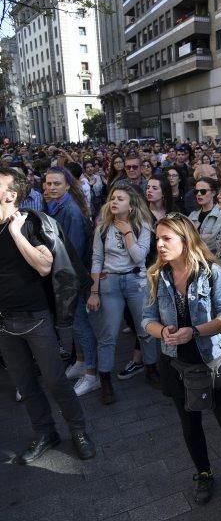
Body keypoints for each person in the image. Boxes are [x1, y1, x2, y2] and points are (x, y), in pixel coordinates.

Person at [142, 213, 221, 505]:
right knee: (189, 423)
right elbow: (146, 319)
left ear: (185, 240)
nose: (160, 245)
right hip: (175, 362)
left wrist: (194, 332)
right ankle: (203, 473)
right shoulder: (156, 274)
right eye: (157, 239)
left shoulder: (211, 272)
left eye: (167, 238)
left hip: (212, 359)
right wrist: (163, 331)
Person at [0, 167, 96, 464]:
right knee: (25, 384)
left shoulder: (29, 223)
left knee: (55, 381)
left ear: (10, 194)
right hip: (4, 322)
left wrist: (16, 235)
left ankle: (78, 430)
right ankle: (44, 432)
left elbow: (44, 266)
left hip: (36, 318)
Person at [87, 183, 159, 404]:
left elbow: (138, 257)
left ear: (131, 204)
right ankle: (105, 379)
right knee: (108, 335)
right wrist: (94, 291)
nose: (114, 202)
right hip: (109, 283)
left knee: (145, 329)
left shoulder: (143, 226)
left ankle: (151, 369)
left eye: (120, 198)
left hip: (136, 281)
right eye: (112, 198)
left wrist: (127, 230)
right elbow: (97, 260)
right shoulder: (102, 228)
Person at [43, 166, 99, 396]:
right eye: (48, 183)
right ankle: (80, 361)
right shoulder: (57, 205)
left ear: (67, 185)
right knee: (75, 325)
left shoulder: (72, 212)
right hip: (65, 275)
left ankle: (92, 374)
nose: (52, 187)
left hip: (72, 277)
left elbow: (72, 253)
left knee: (80, 325)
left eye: (57, 183)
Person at [188, 177, 221, 255]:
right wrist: (204, 237)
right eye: (196, 191)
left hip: (212, 259)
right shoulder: (193, 215)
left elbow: (214, 242)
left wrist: (192, 237)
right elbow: (183, 237)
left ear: (213, 193)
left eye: (203, 191)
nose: (199, 194)